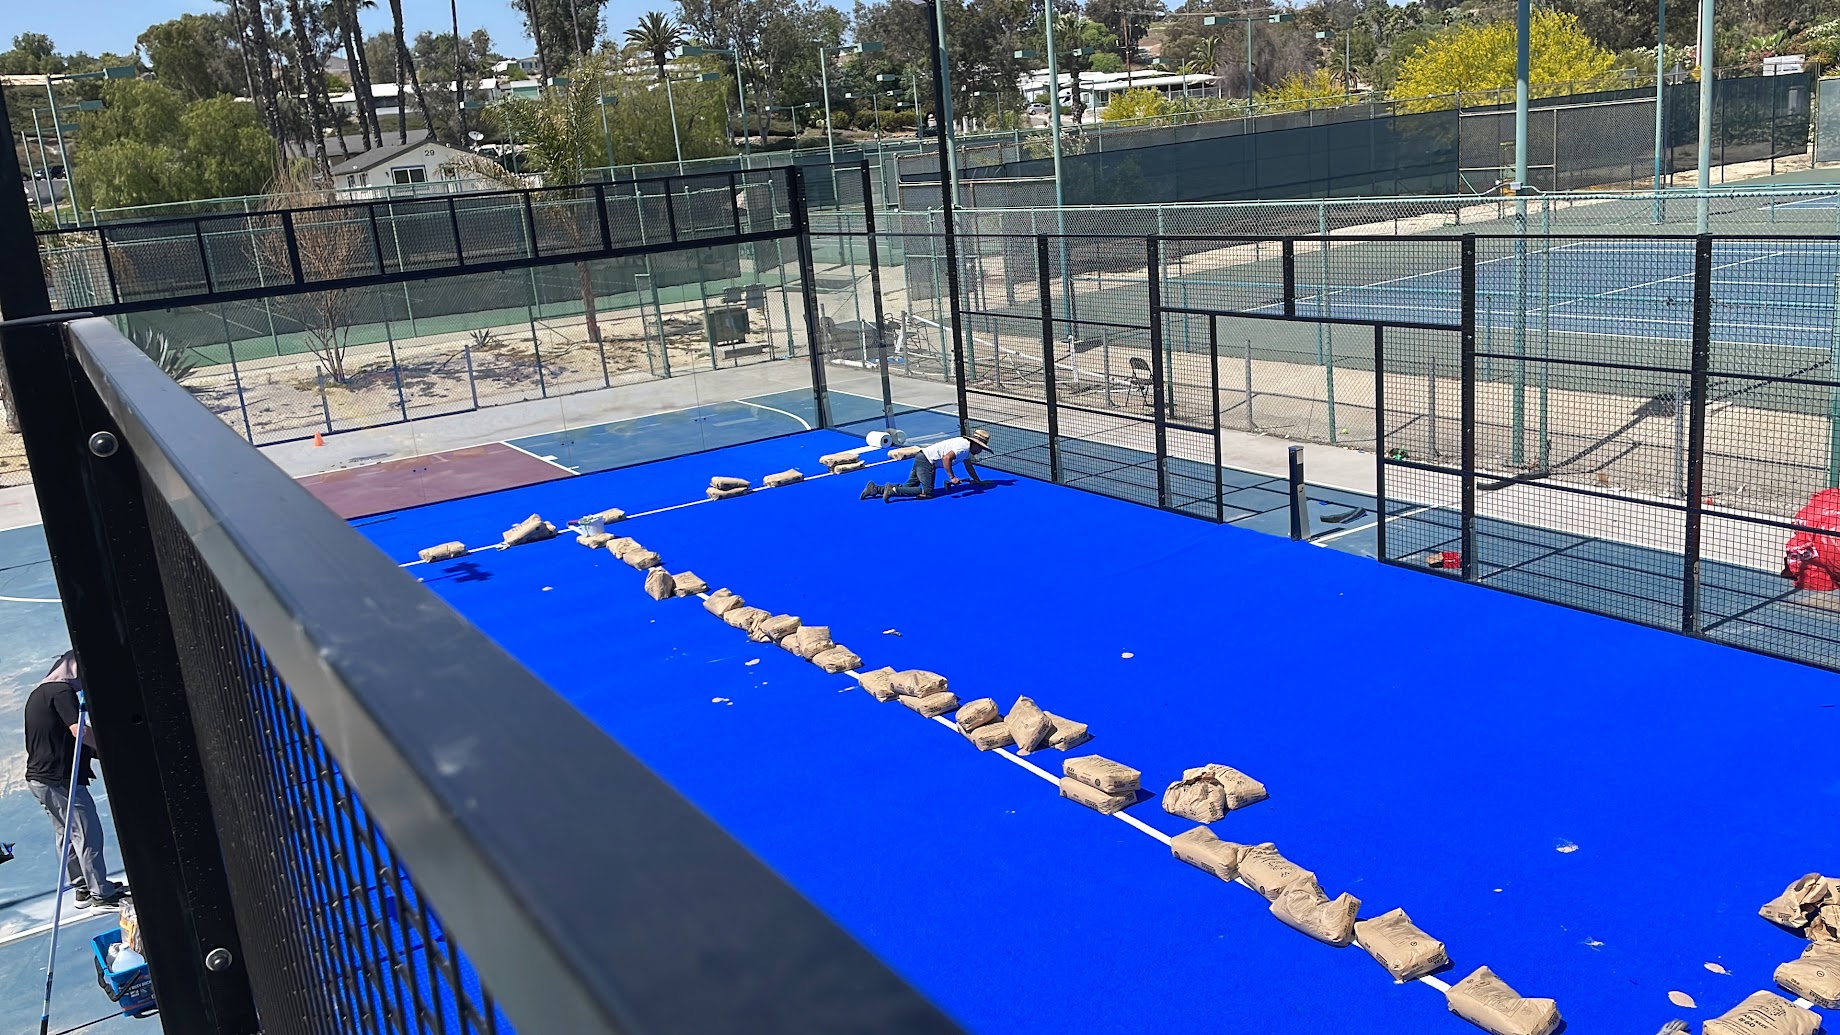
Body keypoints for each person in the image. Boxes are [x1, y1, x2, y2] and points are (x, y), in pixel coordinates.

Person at [24, 651, 127, 908]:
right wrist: (110, 750)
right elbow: (78, 730)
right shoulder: (61, 692)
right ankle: (101, 894)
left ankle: (82, 887)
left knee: (67, 833)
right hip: (59, 778)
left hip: (41, 779)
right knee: (86, 831)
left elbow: (58, 737)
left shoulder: (39, 694)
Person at [861, 429, 993, 503]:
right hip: (927, 461)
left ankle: (875, 489)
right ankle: (892, 490)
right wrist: (952, 477)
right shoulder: (963, 448)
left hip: (922, 456)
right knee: (927, 493)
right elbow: (946, 458)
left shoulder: (966, 449)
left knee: (908, 487)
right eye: (980, 448)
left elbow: (969, 466)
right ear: (975, 444)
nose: (980, 451)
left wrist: (978, 481)